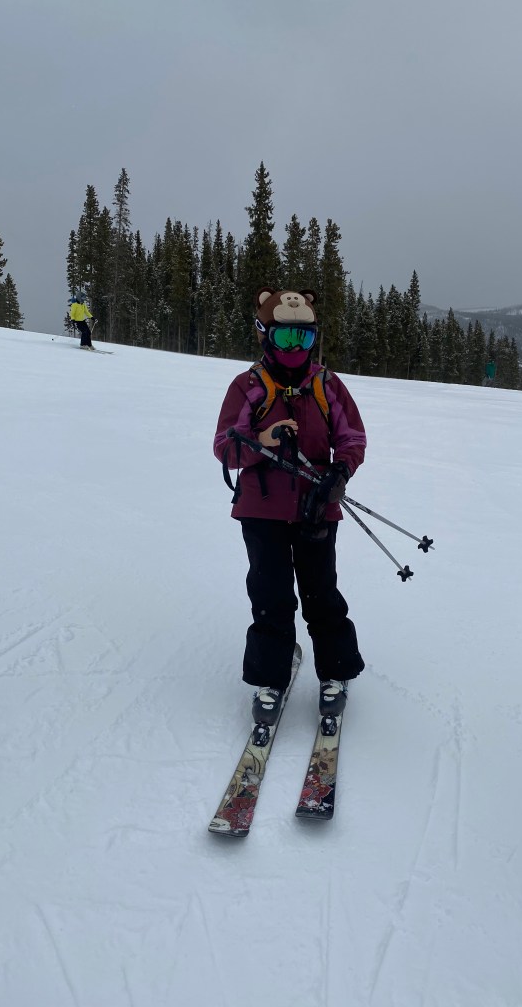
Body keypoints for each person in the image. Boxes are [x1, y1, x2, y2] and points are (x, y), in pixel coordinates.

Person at [213, 287, 366, 726]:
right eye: (285, 337)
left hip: (317, 507)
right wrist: (260, 440)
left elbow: (352, 437)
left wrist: (341, 472)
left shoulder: (327, 384)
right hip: (261, 512)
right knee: (270, 595)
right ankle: (269, 678)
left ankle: (335, 672)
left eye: (304, 336)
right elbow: (224, 447)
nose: (296, 347)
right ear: (265, 334)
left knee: (321, 593)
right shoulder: (247, 386)